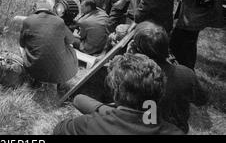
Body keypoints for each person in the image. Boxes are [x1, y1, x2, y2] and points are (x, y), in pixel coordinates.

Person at [53, 53, 184, 135]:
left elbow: (59, 129)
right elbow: (79, 100)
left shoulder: (88, 125)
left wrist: (106, 111)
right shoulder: (175, 131)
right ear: (160, 92)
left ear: (116, 93)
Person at [127, 21, 208, 133]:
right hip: (176, 130)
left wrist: (129, 59)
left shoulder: (130, 77)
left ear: (137, 50)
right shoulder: (186, 74)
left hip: (143, 130)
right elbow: (201, 99)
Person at [19, 1, 77, 91]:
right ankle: (61, 81)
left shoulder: (27, 21)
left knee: (23, 49)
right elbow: (71, 40)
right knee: (70, 47)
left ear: (36, 9)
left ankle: (35, 80)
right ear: (50, 10)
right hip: (59, 73)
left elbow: (21, 43)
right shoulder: (59, 21)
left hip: (34, 71)